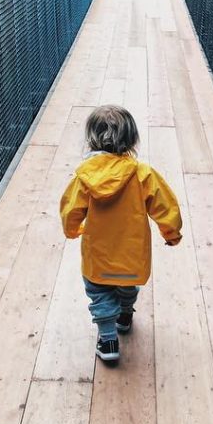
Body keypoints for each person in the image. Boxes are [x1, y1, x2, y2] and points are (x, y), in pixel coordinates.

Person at [60, 105, 183, 363]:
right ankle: (125, 315)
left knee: (100, 292)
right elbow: (165, 205)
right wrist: (171, 232)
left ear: (91, 139)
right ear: (132, 140)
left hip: (98, 256)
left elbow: (71, 209)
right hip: (131, 255)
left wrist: (72, 230)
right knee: (127, 285)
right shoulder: (142, 174)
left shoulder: (85, 177)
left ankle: (108, 341)